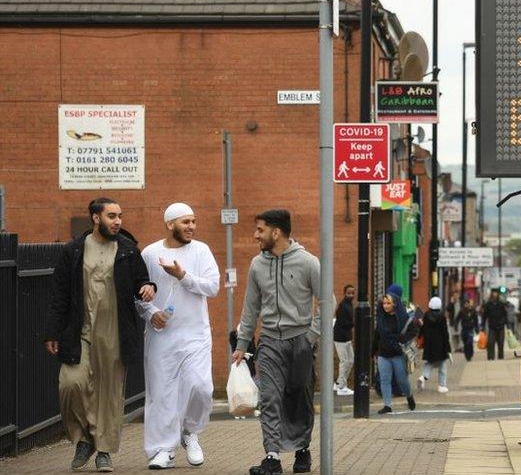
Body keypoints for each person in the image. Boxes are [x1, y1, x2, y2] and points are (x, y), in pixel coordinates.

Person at [43, 197, 156, 472]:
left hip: (114, 331)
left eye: (120, 216)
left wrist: (148, 286)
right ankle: (85, 438)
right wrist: (52, 332)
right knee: (71, 384)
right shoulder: (74, 250)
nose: (118, 221)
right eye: (111, 216)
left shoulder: (128, 250)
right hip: (79, 329)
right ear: (96, 218)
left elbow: (142, 280)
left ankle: (103, 450)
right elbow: (59, 295)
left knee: (109, 394)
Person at [233, 210, 322, 475]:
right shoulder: (257, 265)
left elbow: (327, 302)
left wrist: (310, 337)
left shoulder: (308, 262)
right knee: (270, 398)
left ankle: (302, 450)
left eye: (260, 230)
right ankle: (272, 457)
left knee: (299, 398)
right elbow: (250, 307)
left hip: (300, 341)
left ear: (276, 232)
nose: (255, 235)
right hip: (270, 341)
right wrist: (242, 344)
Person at [137, 203, 220, 469]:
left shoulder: (201, 250)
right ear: (170, 224)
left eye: (193, 221)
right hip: (161, 335)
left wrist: (182, 275)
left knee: (201, 386)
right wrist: (151, 313)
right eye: (185, 222)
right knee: (161, 393)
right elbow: (137, 292)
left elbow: (213, 286)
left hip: (195, 332)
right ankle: (162, 450)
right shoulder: (150, 253)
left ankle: (190, 432)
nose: (191, 227)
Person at [373, 286, 417, 414]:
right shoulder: (381, 317)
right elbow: (377, 334)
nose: (385, 306)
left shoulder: (403, 317)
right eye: (384, 303)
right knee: (384, 379)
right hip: (383, 354)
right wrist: (373, 350)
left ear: (395, 304)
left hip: (398, 354)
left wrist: (402, 339)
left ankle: (409, 396)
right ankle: (387, 405)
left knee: (402, 380)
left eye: (389, 303)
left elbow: (413, 330)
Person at [418, 297, 451, 393]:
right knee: (442, 365)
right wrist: (448, 347)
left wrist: (420, 339)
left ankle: (423, 377)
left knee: (430, 362)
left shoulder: (426, 315)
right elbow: (445, 333)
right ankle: (442, 386)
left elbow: (423, 329)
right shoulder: (442, 317)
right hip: (440, 345)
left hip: (429, 345)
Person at [333, 284, 355, 396]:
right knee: (345, 361)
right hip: (340, 337)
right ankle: (341, 387)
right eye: (348, 293)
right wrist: (354, 323)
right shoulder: (344, 306)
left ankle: (339, 383)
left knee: (350, 360)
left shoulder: (349, 305)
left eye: (352, 293)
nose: (351, 295)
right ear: (344, 293)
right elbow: (344, 322)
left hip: (346, 337)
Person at [481, 290, 508, 360]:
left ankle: (500, 357)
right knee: (490, 343)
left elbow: (505, 315)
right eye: (493, 294)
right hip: (492, 327)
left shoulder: (501, 304)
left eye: (496, 294)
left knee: (501, 343)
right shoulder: (488, 305)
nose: (495, 295)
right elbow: (484, 316)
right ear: (491, 295)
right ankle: (490, 357)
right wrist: (482, 325)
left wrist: (507, 325)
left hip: (501, 326)